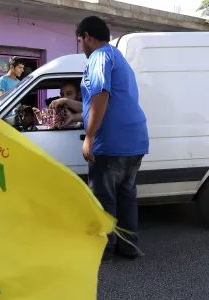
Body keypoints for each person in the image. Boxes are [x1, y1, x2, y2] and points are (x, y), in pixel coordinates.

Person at [50, 16, 149, 263]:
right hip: (134, 141)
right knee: (126, 196)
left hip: (112, 144)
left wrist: (90, 136)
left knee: (104, 199)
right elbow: (99, 100)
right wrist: (68, 103)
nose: (80, 47)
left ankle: (103, 251)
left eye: (80, 41)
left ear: (87, 37)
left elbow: (101, 97)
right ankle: (128, 248)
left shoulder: (99, 57)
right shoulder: (117, 59)